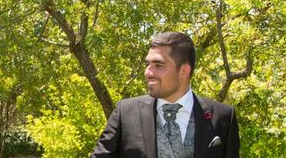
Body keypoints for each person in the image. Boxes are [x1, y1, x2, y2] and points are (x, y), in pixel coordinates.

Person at [91, 32, 239, 158]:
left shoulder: (223, 116)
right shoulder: (126, 112)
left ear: (184, 71)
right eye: (147, 64)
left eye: (158, 65)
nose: (148, 72)